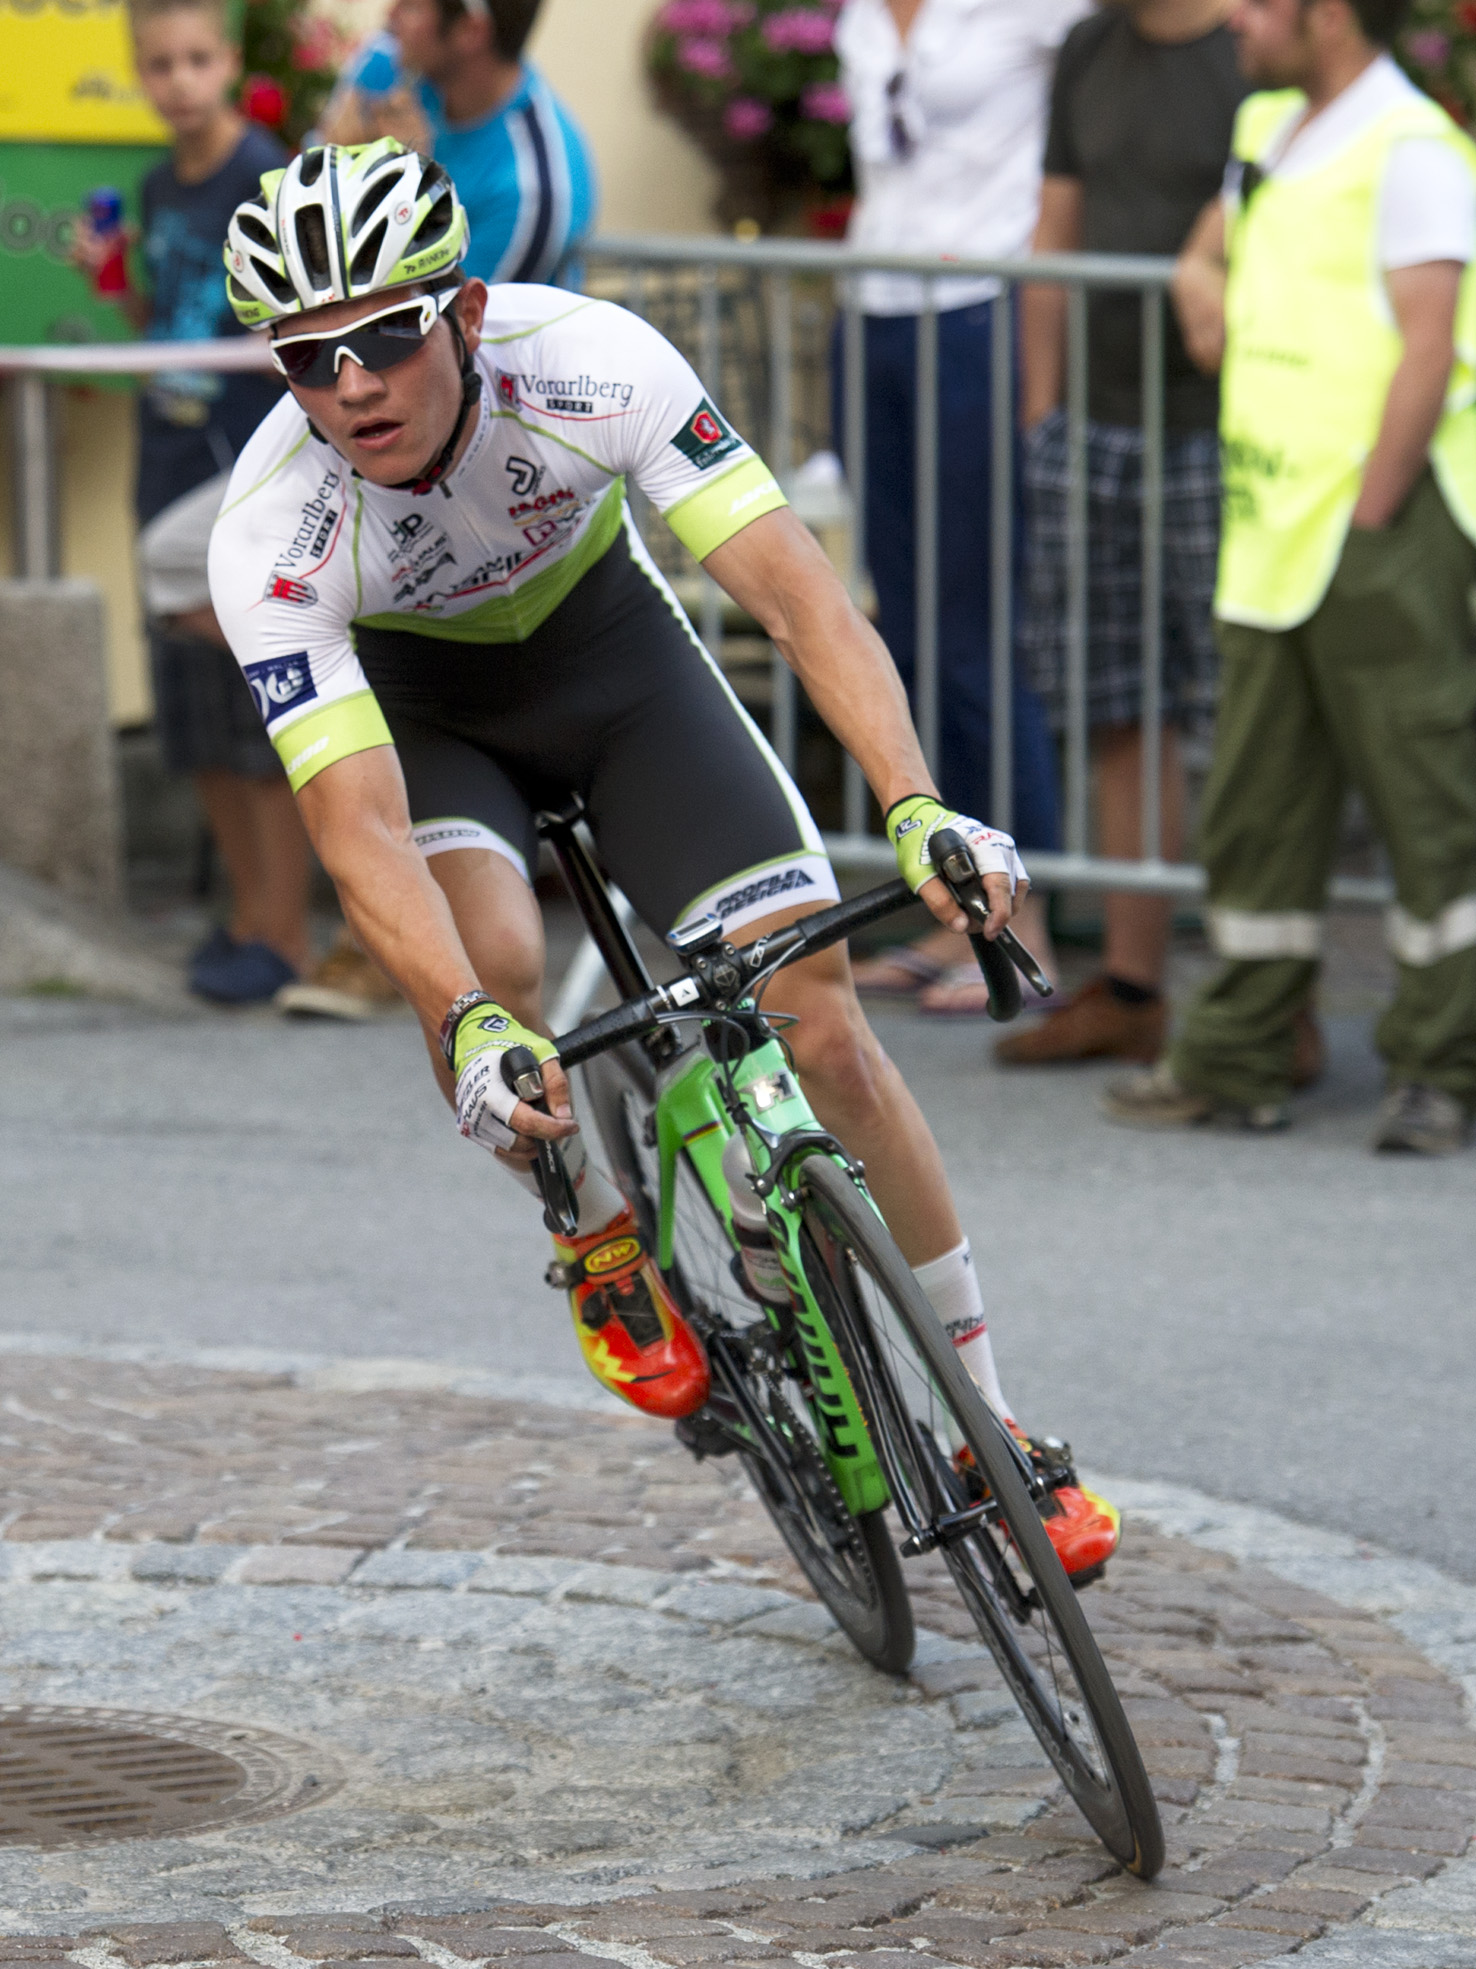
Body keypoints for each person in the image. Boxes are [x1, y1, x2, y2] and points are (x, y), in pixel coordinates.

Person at [209, 139, 1121, 1577]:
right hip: (429, 720)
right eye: (308, 360)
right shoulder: (273, 524)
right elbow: (358, 825)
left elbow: (805, 605)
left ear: (465, 310)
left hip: (616, 668)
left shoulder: (593, 360)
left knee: (826, 1027)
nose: (353, 386)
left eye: (384, 336)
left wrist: (915, 805)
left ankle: (985, 1428)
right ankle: (592, 1221)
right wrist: (466, 1025)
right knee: (497, 966)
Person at [1107, 0, 1476, 1153]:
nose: (1237, 16)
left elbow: (1429, 343)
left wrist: (1371, 514)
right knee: (1258, 809)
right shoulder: (1267, 125)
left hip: (1378, 522)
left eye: (1264, 2)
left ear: (1329, 15)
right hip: (1274, 527)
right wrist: (1195, 272)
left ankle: (1443, 1071)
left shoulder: (1414, 152)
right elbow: (1215, 244)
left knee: (1429, 809)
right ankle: (1237, 1058)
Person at [1004, 0, 1257, 1067]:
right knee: (1117, 705)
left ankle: (1266, 994)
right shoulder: (1090, 45)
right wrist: (1042, 415)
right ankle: (1133, 984)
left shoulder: (1254, 45)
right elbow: (1056, 229)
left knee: (1246, 716)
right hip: (1096, 429)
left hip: (1221, 432)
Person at [835, 0, 1087, 1015]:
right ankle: (951, 909)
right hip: (872, 306)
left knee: (976, 629)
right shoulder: (863, 13)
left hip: (978, 307)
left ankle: (1027, 914)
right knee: (906, 631)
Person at [73, 0, 311, 1002]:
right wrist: (111, 280)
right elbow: (162, 325)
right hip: (165, 458)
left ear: (230, 61)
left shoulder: (264, 174)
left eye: (197, 59)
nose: (178, 80)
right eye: (159, 63)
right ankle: (247, 916)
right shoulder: (157, 183)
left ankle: (286, 931)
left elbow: (294, 320)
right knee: (192, 711)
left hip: (238, 467)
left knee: (255, 710)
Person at [314, 0, 594, 287]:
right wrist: (329, 170)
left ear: (470, 31)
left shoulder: (532, 190)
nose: (391, 12)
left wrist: (407, 186)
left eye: (413, 6)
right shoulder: (389, 61)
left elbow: (445, 311)